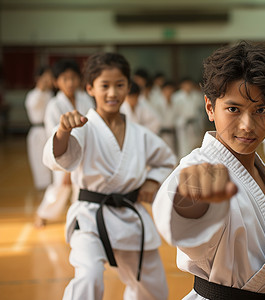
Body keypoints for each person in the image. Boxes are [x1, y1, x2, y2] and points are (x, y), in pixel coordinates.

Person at [153, 41, 265, 300]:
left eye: (260, 110)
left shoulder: (255, 167)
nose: (248, 125)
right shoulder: (201, 167)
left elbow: (258, 222)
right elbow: (183, 225)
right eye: (233, 109)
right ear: (210, 108)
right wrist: (192, 202)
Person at [42, 52, 176, 300]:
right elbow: (59, 158)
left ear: (128, 86)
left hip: (130, 216)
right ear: (90, 88)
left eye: (119, 85)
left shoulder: (141, 134)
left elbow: (166, 160)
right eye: (105, 86)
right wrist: (62, 131)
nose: (112, 93)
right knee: (89, 276)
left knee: (153, 288)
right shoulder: (83, 127)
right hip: (91, 217)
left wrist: (152, 180)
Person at [35, 59, 95, 228]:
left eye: (73, 78)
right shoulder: (54, 105)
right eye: (65, 79)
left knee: (82, 188)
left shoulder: (85, 99)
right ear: (56, 82)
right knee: (60, 188)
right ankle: (43, 213)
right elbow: (53, 136)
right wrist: (68, 167)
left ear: (79, 80)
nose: (70, 83)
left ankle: (80, 219)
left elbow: (91, 126)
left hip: (84, 151)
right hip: (63, 153)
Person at [25, 66, 54, 190]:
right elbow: (33, 104)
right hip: (38, 131)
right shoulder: (33, 95)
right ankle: (43, 187)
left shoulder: (50, 94)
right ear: (39, 78)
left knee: (52, 161)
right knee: (40, 161)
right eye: (47, 76)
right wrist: (41, 86)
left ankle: (53, 187)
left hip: (50, 130)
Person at [173, 77, 205, 157]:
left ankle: (193, 160)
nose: (188, 86)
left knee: (194, 143)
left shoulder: (196, 96)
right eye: (186, 84)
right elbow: (175, 112)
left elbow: (199, 111)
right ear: (182, 85)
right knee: (183, 145)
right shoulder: (176, 97)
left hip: (194, 123)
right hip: (183, 123)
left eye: (189, 84)